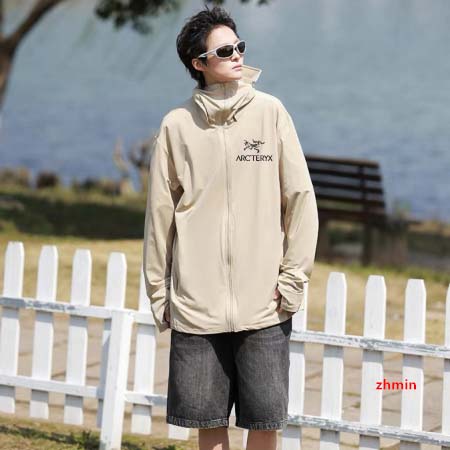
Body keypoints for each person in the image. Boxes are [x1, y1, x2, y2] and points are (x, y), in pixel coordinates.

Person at [142, 5, 319, 450]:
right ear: (198, 63)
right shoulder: (176, 125)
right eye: (224, 51)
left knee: (264, 423)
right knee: (209, 423)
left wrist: (293, 281)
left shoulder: (270, 112)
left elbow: (300, 200)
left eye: (239, 46)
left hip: (265, 304)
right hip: (196, 308)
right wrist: (160, 294)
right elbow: (160, 216)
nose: (237, 55)